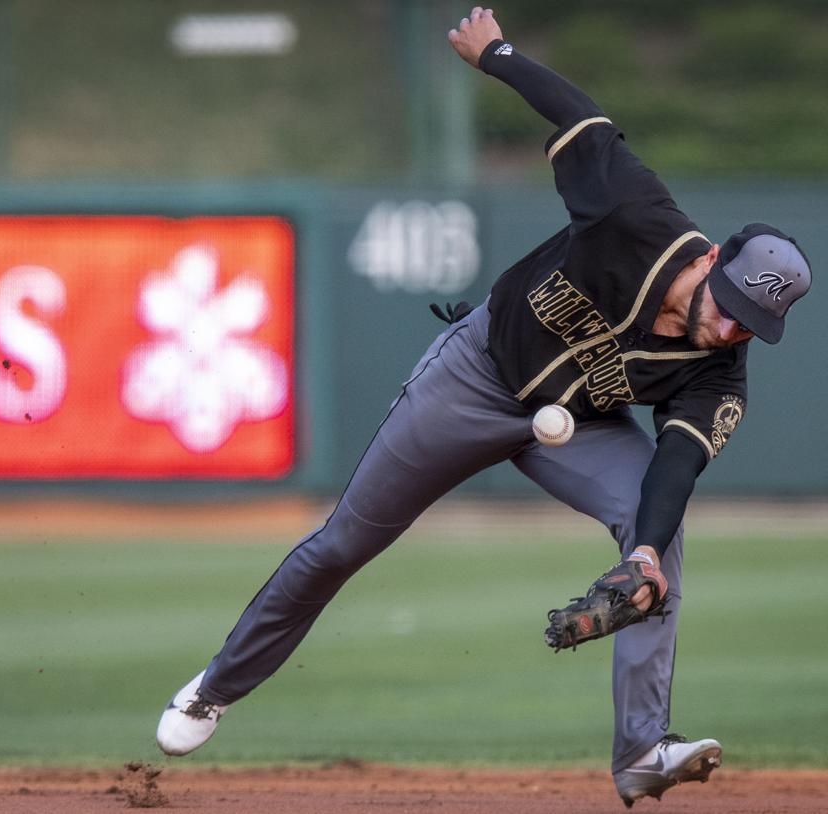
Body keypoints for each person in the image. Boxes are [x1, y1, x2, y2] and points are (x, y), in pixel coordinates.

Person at [155, 7, 813, 808]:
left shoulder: (722, 374)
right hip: (478, 377)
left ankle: (642, 752)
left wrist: (641, 553)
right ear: (714, 259)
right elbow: (585, 119)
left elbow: (675, 463)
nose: (735, 322)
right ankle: (214, 686)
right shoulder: (633, 217)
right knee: (343, 544)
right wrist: (497, 54)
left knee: (657, 552)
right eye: (734, 299)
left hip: (581, 429)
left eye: (755, 320)